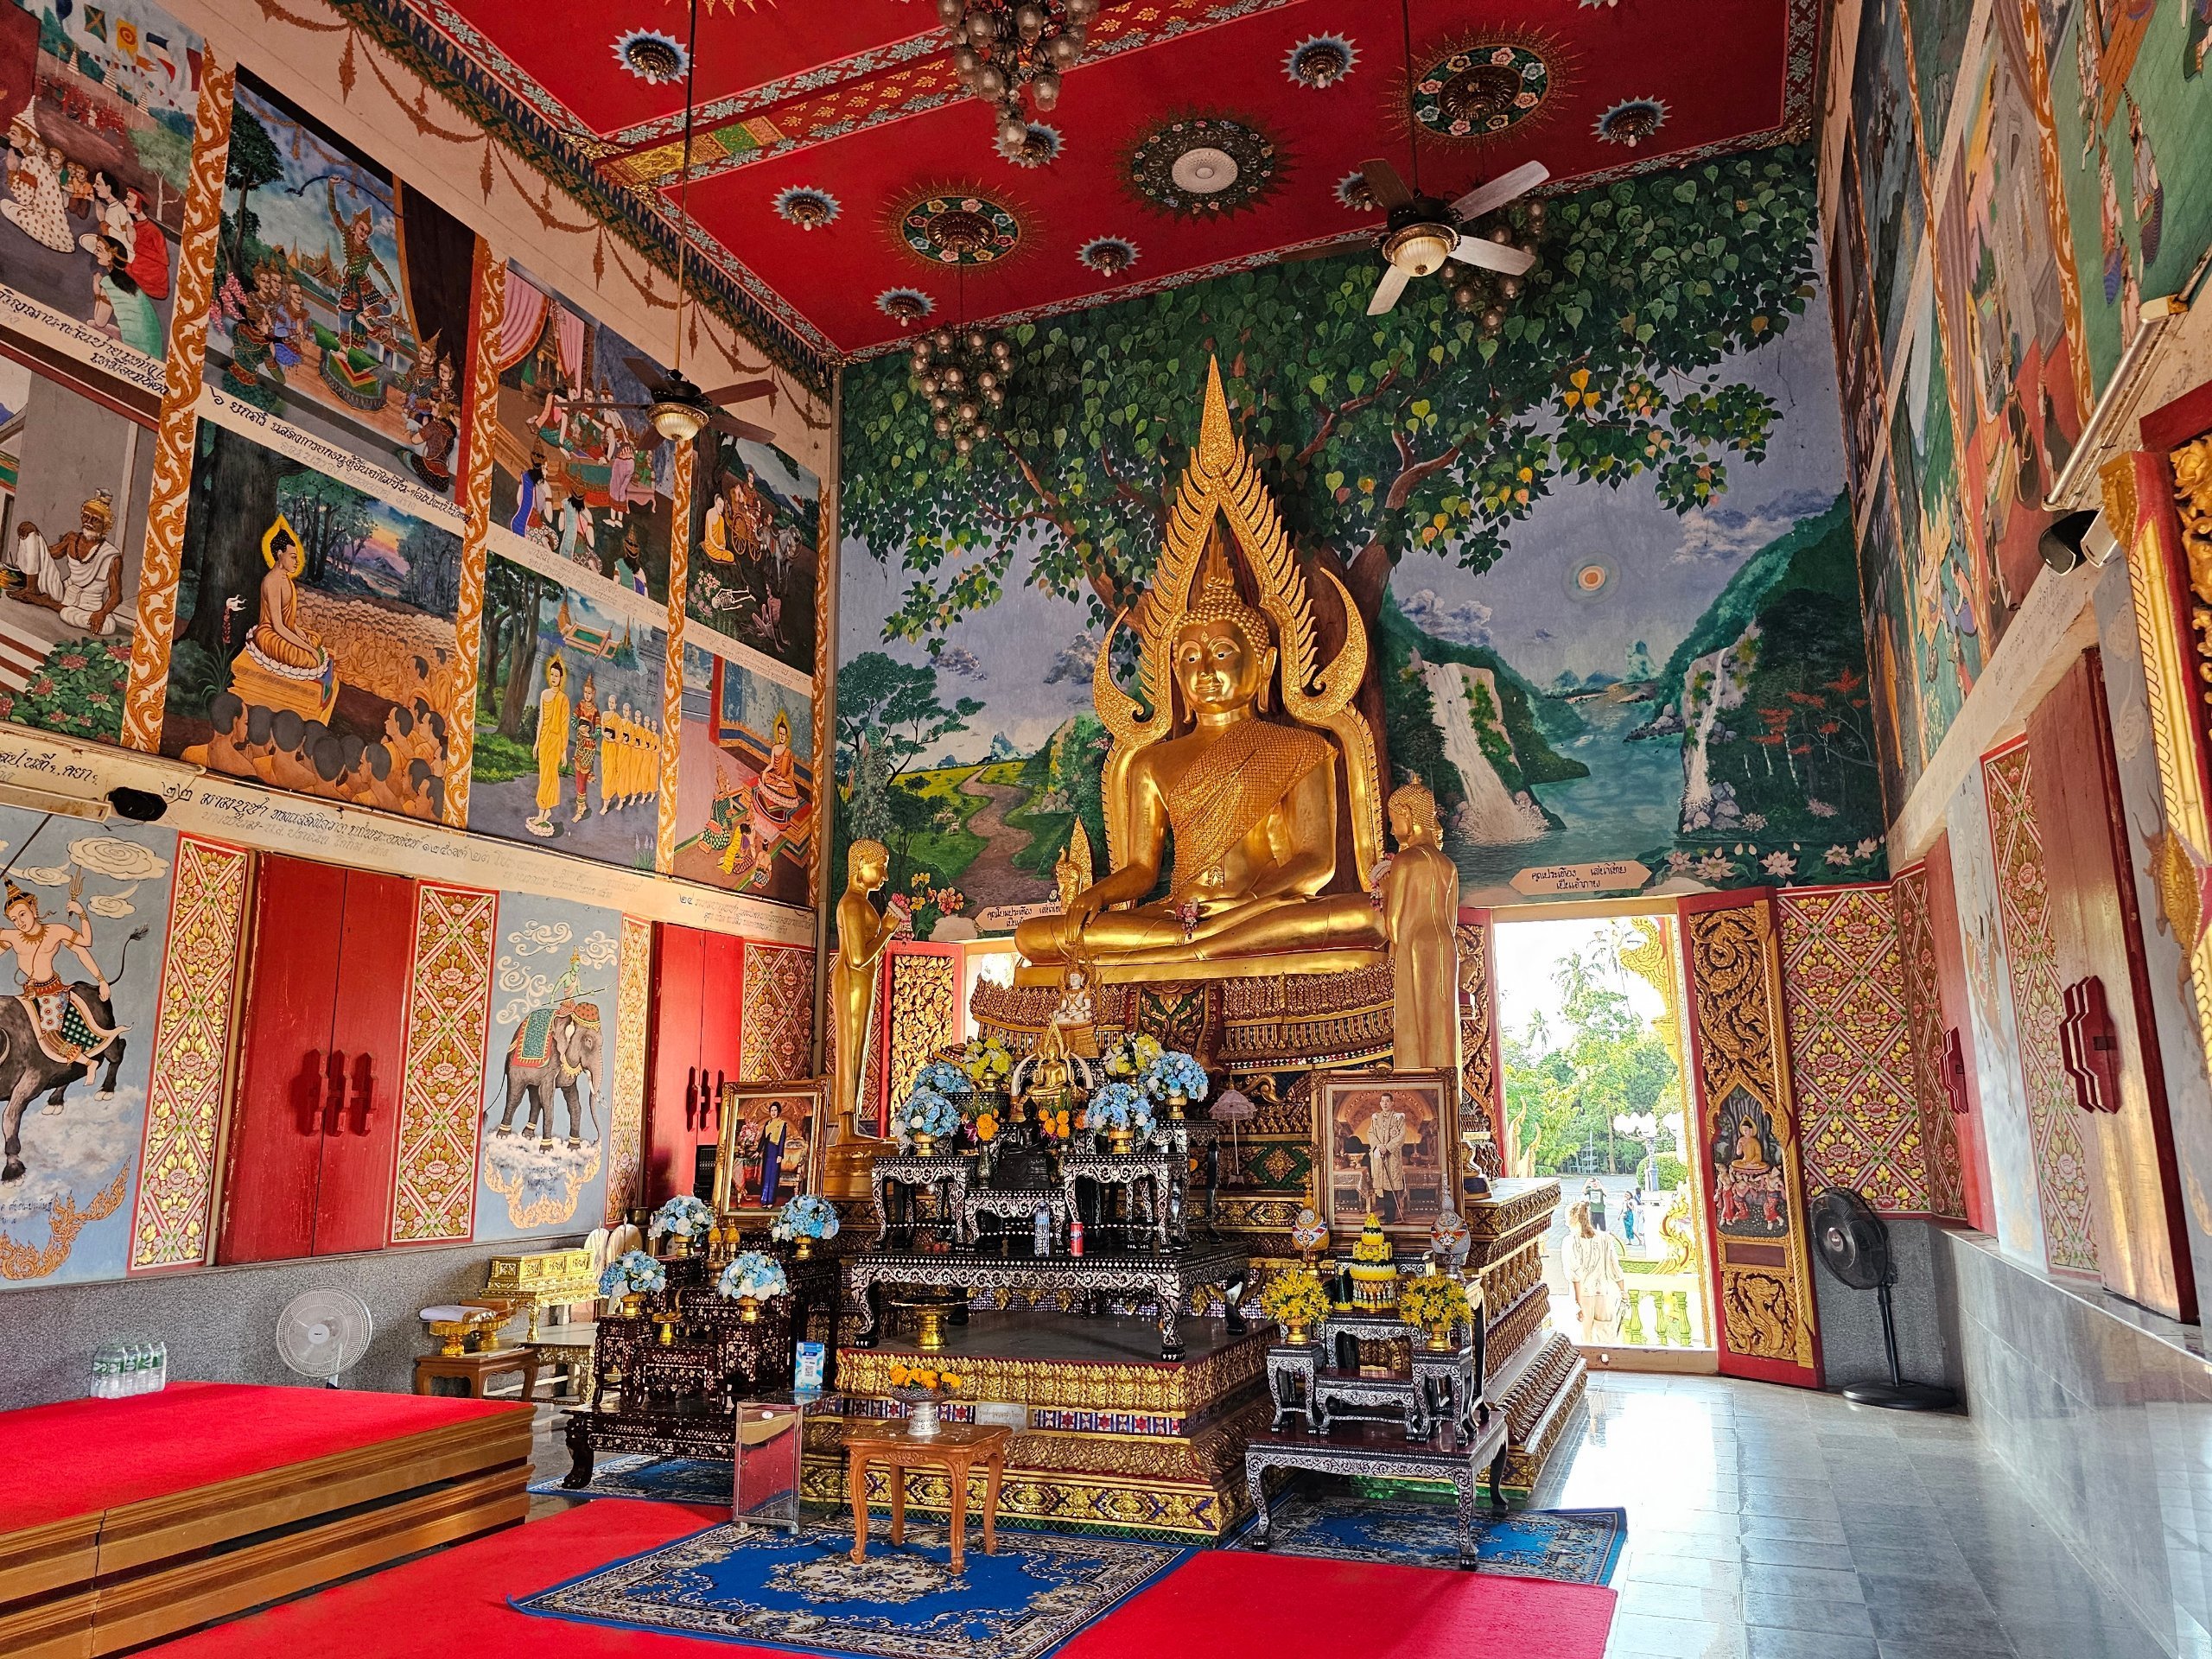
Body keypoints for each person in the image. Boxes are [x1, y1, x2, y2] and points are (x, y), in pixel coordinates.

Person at [1563, 1199, 1626, 1344]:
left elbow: (1574, 1275)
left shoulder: (1570, 1241)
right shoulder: (1605, 1238)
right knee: (1606, 1340)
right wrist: (1623, 1292)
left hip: (1583, 1295)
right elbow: (1615, 1268)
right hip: (1604, 1294)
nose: (1565, 1222)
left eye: (1566, 1218)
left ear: (1574, 1218)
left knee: (1585, 1341)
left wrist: (1576, 1303)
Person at [526, 656, 570, 838]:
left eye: (556, 676)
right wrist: (537, 742)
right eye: (551, 675)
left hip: (556, 740)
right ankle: (546, 810)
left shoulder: (564, 699)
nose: (553, 678)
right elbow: (542, 719)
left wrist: (564, 750)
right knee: (544, 774)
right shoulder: (544, 694)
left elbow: (564, 725)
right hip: (544, 739)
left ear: (561, 678)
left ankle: (542, 811)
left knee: (550, 775)